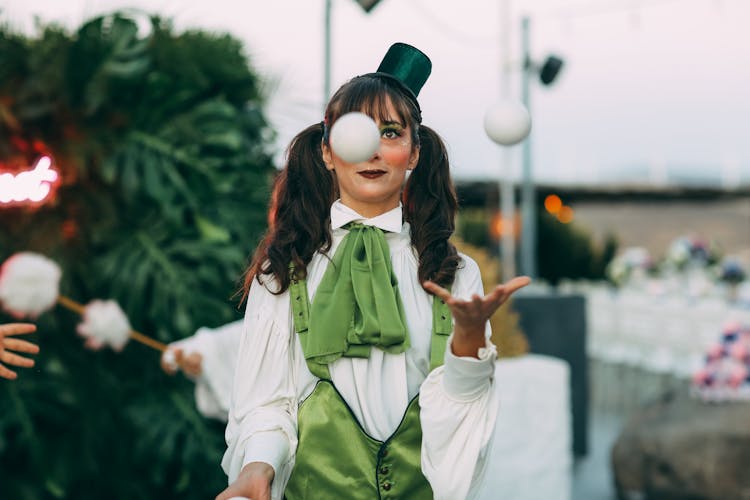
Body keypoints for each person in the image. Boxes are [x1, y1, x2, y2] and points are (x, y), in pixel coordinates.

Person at [216, 43, 530, 500]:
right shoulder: (286, 269)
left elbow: (458, 411)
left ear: (415, 153)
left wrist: (468, 339)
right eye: (356, 132)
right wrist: (256, 469)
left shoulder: (453, 273)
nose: (374, 150)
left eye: (391, 133)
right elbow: (267, 402)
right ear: (326, 151)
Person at [160, 320, 244, 421]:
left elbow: (169, 355)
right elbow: (167, 360)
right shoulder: (206, 402)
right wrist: (175, 361)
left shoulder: (201, 344)